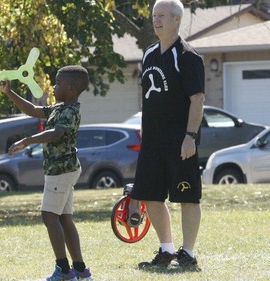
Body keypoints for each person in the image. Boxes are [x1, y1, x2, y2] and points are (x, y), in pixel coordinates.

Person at [128, 0, 205, 269]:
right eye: (154, 15)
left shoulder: (187, 56)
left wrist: (190, 136)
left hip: (179, 140)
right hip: (152, 141)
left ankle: (189, 253)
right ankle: (167, 249)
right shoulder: (149, 54)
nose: (156, 20)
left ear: (176, 20)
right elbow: (150, 95)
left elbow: (197, 99)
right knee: (150, 195)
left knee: (186, 196)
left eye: (162, 15)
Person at [1, 65, 92, 281]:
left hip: (61, 170)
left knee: (49, 216)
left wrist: (26, 141)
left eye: (58, 83)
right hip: (63, 169)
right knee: (64, 218)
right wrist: (8, 92)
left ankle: (63, 270)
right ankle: (80, 270)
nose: (54, 85)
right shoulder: (60, 108)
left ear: (70, 89)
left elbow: (56, 134)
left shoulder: (70, 111)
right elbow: (32, 110)